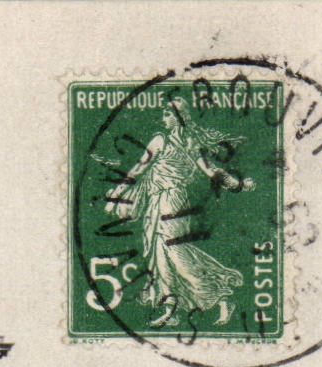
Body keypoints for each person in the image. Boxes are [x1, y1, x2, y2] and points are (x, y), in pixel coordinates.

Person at [102, 96, 253, 329]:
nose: (164, 118)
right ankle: (170, 304)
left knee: (174, 252)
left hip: (173, 201)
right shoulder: (171, 141)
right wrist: (118, 192)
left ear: (179, 117)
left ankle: (218, 294)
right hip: (157, 201)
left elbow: (210, 171)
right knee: (158, 251)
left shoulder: (179, 142)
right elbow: (139, 169)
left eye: (168, 114)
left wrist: (238, 185)